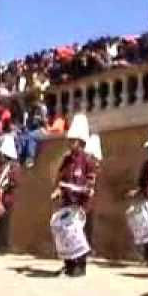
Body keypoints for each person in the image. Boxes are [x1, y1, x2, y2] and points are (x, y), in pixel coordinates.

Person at [51, 114, 96, 277]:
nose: (71, 144)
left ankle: (80, 267)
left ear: (81, 142)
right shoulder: (66, 160)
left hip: (81, 205)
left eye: (74, 141)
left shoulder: (88, 160)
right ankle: (68, 265)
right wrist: (58, 190)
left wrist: (82, 193)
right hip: (67, 203)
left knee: (78, 236)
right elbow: (60, 178)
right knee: (66, 234)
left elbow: (90, 183)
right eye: (70, 140)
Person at [0, 134, 20, 253]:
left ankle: (3, 247)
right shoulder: (0, 166)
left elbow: (15, 181)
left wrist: (6, 185)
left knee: (4, 224)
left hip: (7, 198)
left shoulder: (13, 166)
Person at [84, 134, 103, 248]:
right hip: (84, 198)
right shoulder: (90, 164)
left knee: (87, 223)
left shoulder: (93, 165)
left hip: (88, 198)